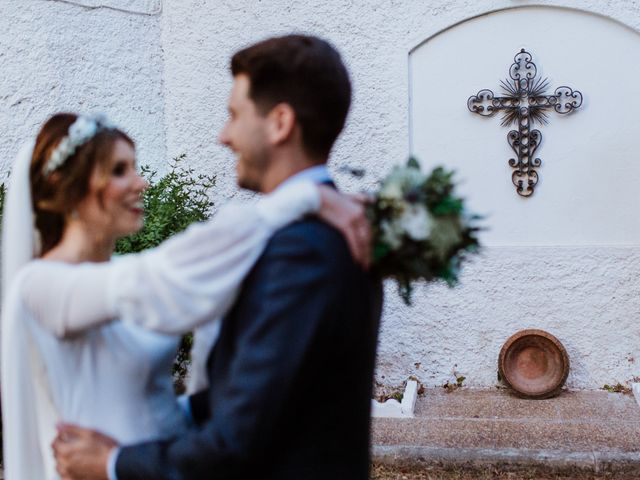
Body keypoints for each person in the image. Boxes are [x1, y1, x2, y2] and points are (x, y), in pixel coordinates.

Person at [53, 34, 383, 480]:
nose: (223, 136)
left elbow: (235, 443)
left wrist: (111, 462)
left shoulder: (300, 250)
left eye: (233, 115)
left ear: (280, 123)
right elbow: (268, 389)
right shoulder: (335, 227)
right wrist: (159, 415)